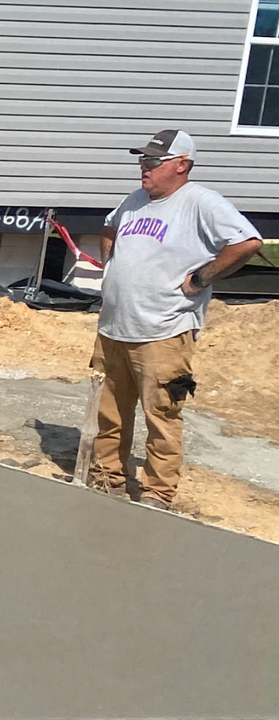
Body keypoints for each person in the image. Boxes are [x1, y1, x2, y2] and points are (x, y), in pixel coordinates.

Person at [88, 128, 263, 505]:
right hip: (115, 327)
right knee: (111, 412)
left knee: (162, 416)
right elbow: (109, 226)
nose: (144, 168)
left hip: (164, 331)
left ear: (182, 165)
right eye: (142, 160)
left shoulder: (201, 203)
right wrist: (111, 264)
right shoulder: (134, 201)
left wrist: (201, 278)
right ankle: (107, 478)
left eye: (153, 161)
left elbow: (247, 242)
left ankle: (157, 493)